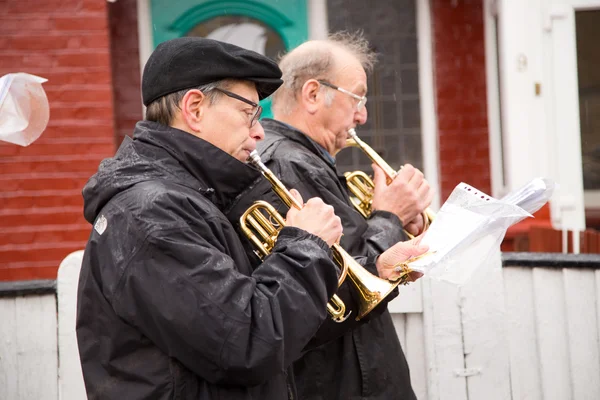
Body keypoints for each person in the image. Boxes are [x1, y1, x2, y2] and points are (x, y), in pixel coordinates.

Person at [76, 37, 349, 400]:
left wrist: (372, 267)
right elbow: (250, 340)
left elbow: (279, 323)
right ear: (195, 108)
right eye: (248, 112)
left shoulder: (193, 198)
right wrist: (304, 245)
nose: (260, 131)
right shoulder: (150, 215)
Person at [229, 32, 433, 400]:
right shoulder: (286, 163)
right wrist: (389, 215)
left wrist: (397, 223)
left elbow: (352, 246)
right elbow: (343, 282)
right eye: (357, 97)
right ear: (312, 94)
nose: (363, 114)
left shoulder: (300, 158)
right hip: (340, 381)